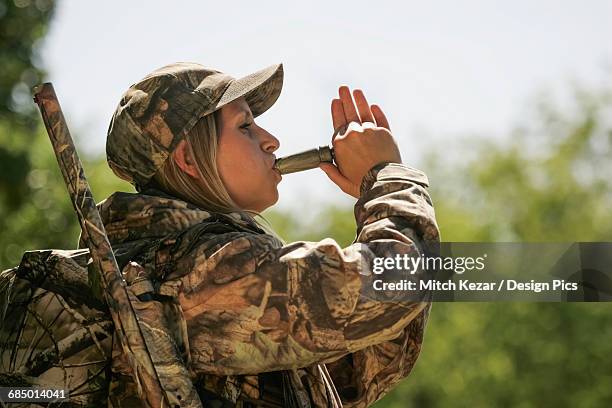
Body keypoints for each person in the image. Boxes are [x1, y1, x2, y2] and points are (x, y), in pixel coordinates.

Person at [0, 62, 440, 407]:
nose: (271, 140)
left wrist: (375, 199)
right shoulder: (201, 270)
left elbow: (362, 370)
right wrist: (388, 178)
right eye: (246, 126)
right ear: (190, 159)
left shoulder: (185, 263)